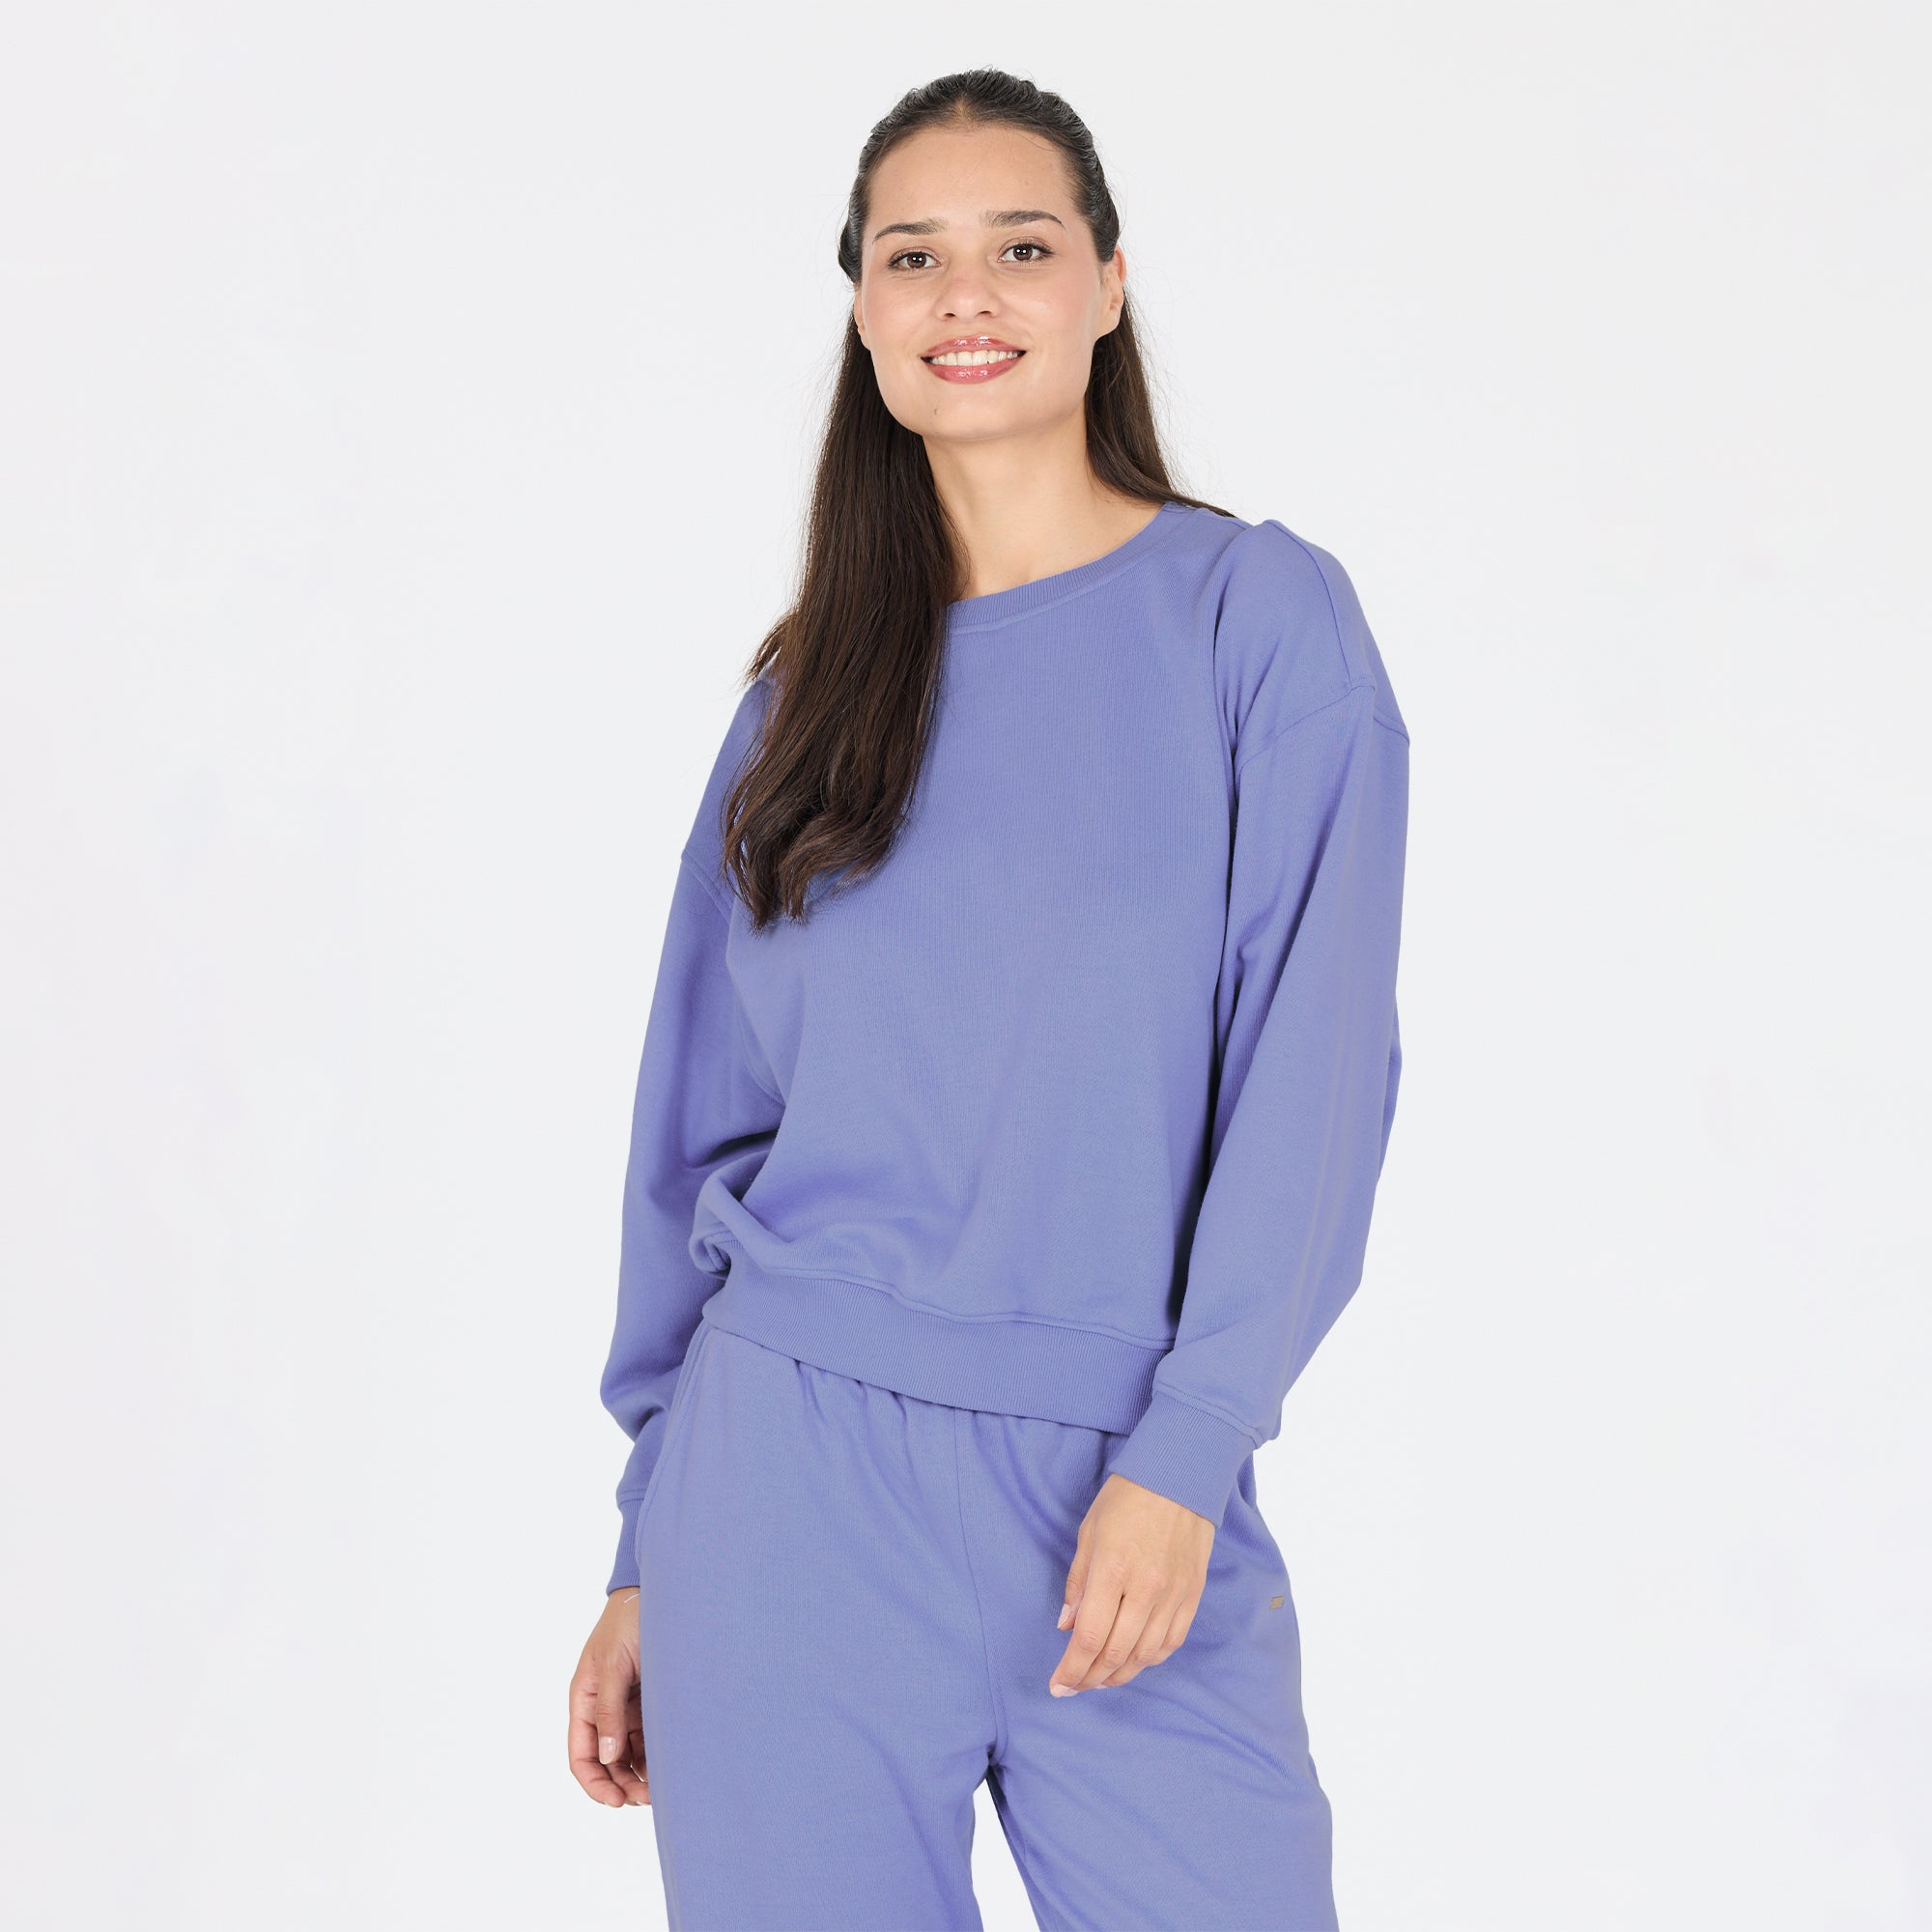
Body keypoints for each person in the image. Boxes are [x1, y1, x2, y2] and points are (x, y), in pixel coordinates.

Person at [566, 66, 1409, 1932]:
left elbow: (1316, 1075)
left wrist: (1188, 1451)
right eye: (912, 256)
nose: (967, 294)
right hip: (782, 1495)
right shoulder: (804, 699)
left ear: (1108, 283)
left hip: (1131, 1485)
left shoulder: (1256, 621)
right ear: (863, 313)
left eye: (1021, 248)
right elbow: (694, 1128)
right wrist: (645, 1551)